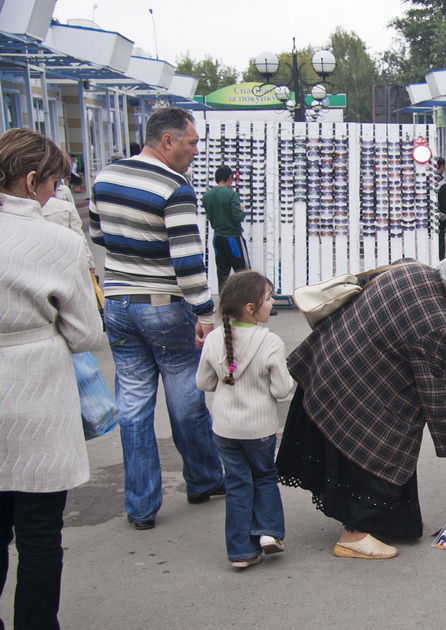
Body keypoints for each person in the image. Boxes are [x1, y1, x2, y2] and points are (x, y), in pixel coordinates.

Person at [276, 249, 446, 559]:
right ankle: (354, 534)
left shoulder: (411, 269)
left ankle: (387, 522)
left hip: (328, 362)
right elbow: (436, 393)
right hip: (352, 385)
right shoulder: (436, 324)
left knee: (390, 430)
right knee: (384, 444)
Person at [89, 107, 224, 531]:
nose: (195, 151)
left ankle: (141, 506)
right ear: (167, 141)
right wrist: (204, 312)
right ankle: (202, 479)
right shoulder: (175, 188)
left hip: (118, 302)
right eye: (191, 142)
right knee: (185, 397)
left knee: (132, 406)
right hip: (164, 303)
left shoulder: (106, 176)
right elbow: (187, 261)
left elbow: (97, 234)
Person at [0, 128, 104, 629]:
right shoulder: (56, 240)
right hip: (35, 390)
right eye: (51, 184)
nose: (54, 194)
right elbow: (85, 333)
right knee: (40, 535)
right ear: (32, 179)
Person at [196, 271, 293, 569]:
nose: (272, 301)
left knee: (238, 483)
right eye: (268, 297)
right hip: (259, 428)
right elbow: (282, 389)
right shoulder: (270, 342)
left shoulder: (214, 339)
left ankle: (241, 551)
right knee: (264, 475)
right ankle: (267, 532)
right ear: (251, 308)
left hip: (225, 428)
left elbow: (204, 383)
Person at [201, 165, 249, 290]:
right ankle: (250, 304)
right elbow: (237, 216)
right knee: (244, 273)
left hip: (217, 237)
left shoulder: (207, 196)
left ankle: (225, 305)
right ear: (229, 178)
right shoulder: (231, 194)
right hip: (232, 237)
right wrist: (242, 211)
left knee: (222, 275)